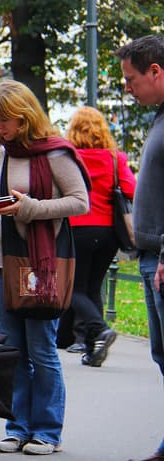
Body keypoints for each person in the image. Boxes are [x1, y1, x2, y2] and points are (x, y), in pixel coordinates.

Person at [0, 79, 90, 456]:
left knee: (42, 349)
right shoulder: (2, 154)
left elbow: (80, 203)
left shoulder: (57, 154)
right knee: (14, 349)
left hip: (43, 263)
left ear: (23, 115)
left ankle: (47, 431)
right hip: (5, 261)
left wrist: (32, 208)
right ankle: (17, 426)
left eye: (3, 120)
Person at [115, 34, 164, 461]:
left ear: (156, 71)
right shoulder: (159, 116)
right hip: (151, 256)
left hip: (162, 258)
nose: (127, 87)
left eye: (131, 79)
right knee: (162, 356)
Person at [65, 106, 135, 367]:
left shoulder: (70, 158)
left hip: (77, 228)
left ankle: (99, 328)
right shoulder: (116, 159)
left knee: (71, 288)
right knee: (93, 287)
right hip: (107, 233)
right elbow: (131, 189)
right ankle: (94, 350)